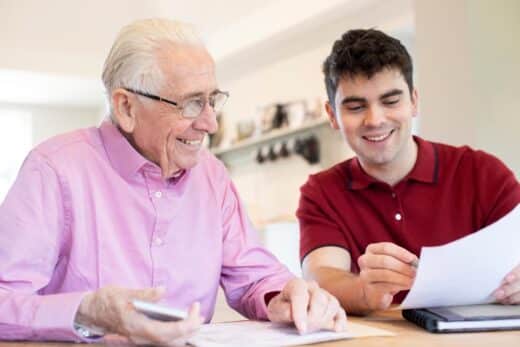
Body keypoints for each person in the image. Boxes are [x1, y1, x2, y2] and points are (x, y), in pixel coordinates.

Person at [0, 18, 347, 345]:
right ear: (126, 108)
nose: (210, 123)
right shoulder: (53, 170)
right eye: (192, 104)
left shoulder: (212, 175)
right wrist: (86, 313)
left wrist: (285, 296)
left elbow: (256, 277)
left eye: (212, 100)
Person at [297, 28, 520, 315]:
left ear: (414, 101)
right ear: (332, 116)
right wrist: (364, 292)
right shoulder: (321, 192)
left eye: (391, 101)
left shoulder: (483, 172)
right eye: (355, 107)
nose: (375, 119)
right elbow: (322, 273)